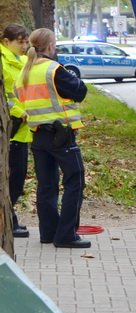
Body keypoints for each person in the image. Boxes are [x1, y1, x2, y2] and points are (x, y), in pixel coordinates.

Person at [15, 28, 90, 249]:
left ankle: (48, 233)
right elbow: (80, 91)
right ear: (49, 46)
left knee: (46, 186)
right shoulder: (54, 70)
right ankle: (66, 234)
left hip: (37, 136)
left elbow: (20, 97)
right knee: (74, 181)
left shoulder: (24, 72)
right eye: (54, 44)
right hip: (61, 135)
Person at [2, 24, 31, 238]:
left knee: (17, 179)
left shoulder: (20, 61)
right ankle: (8, 221)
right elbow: (6, 97)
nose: (24, 45)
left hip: (21, 129)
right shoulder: (3, 62)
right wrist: (20, 111)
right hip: (10, 127)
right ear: (6, 42)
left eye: (26, 41)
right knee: (11, 179)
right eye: (20, 41)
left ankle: (10, 219)